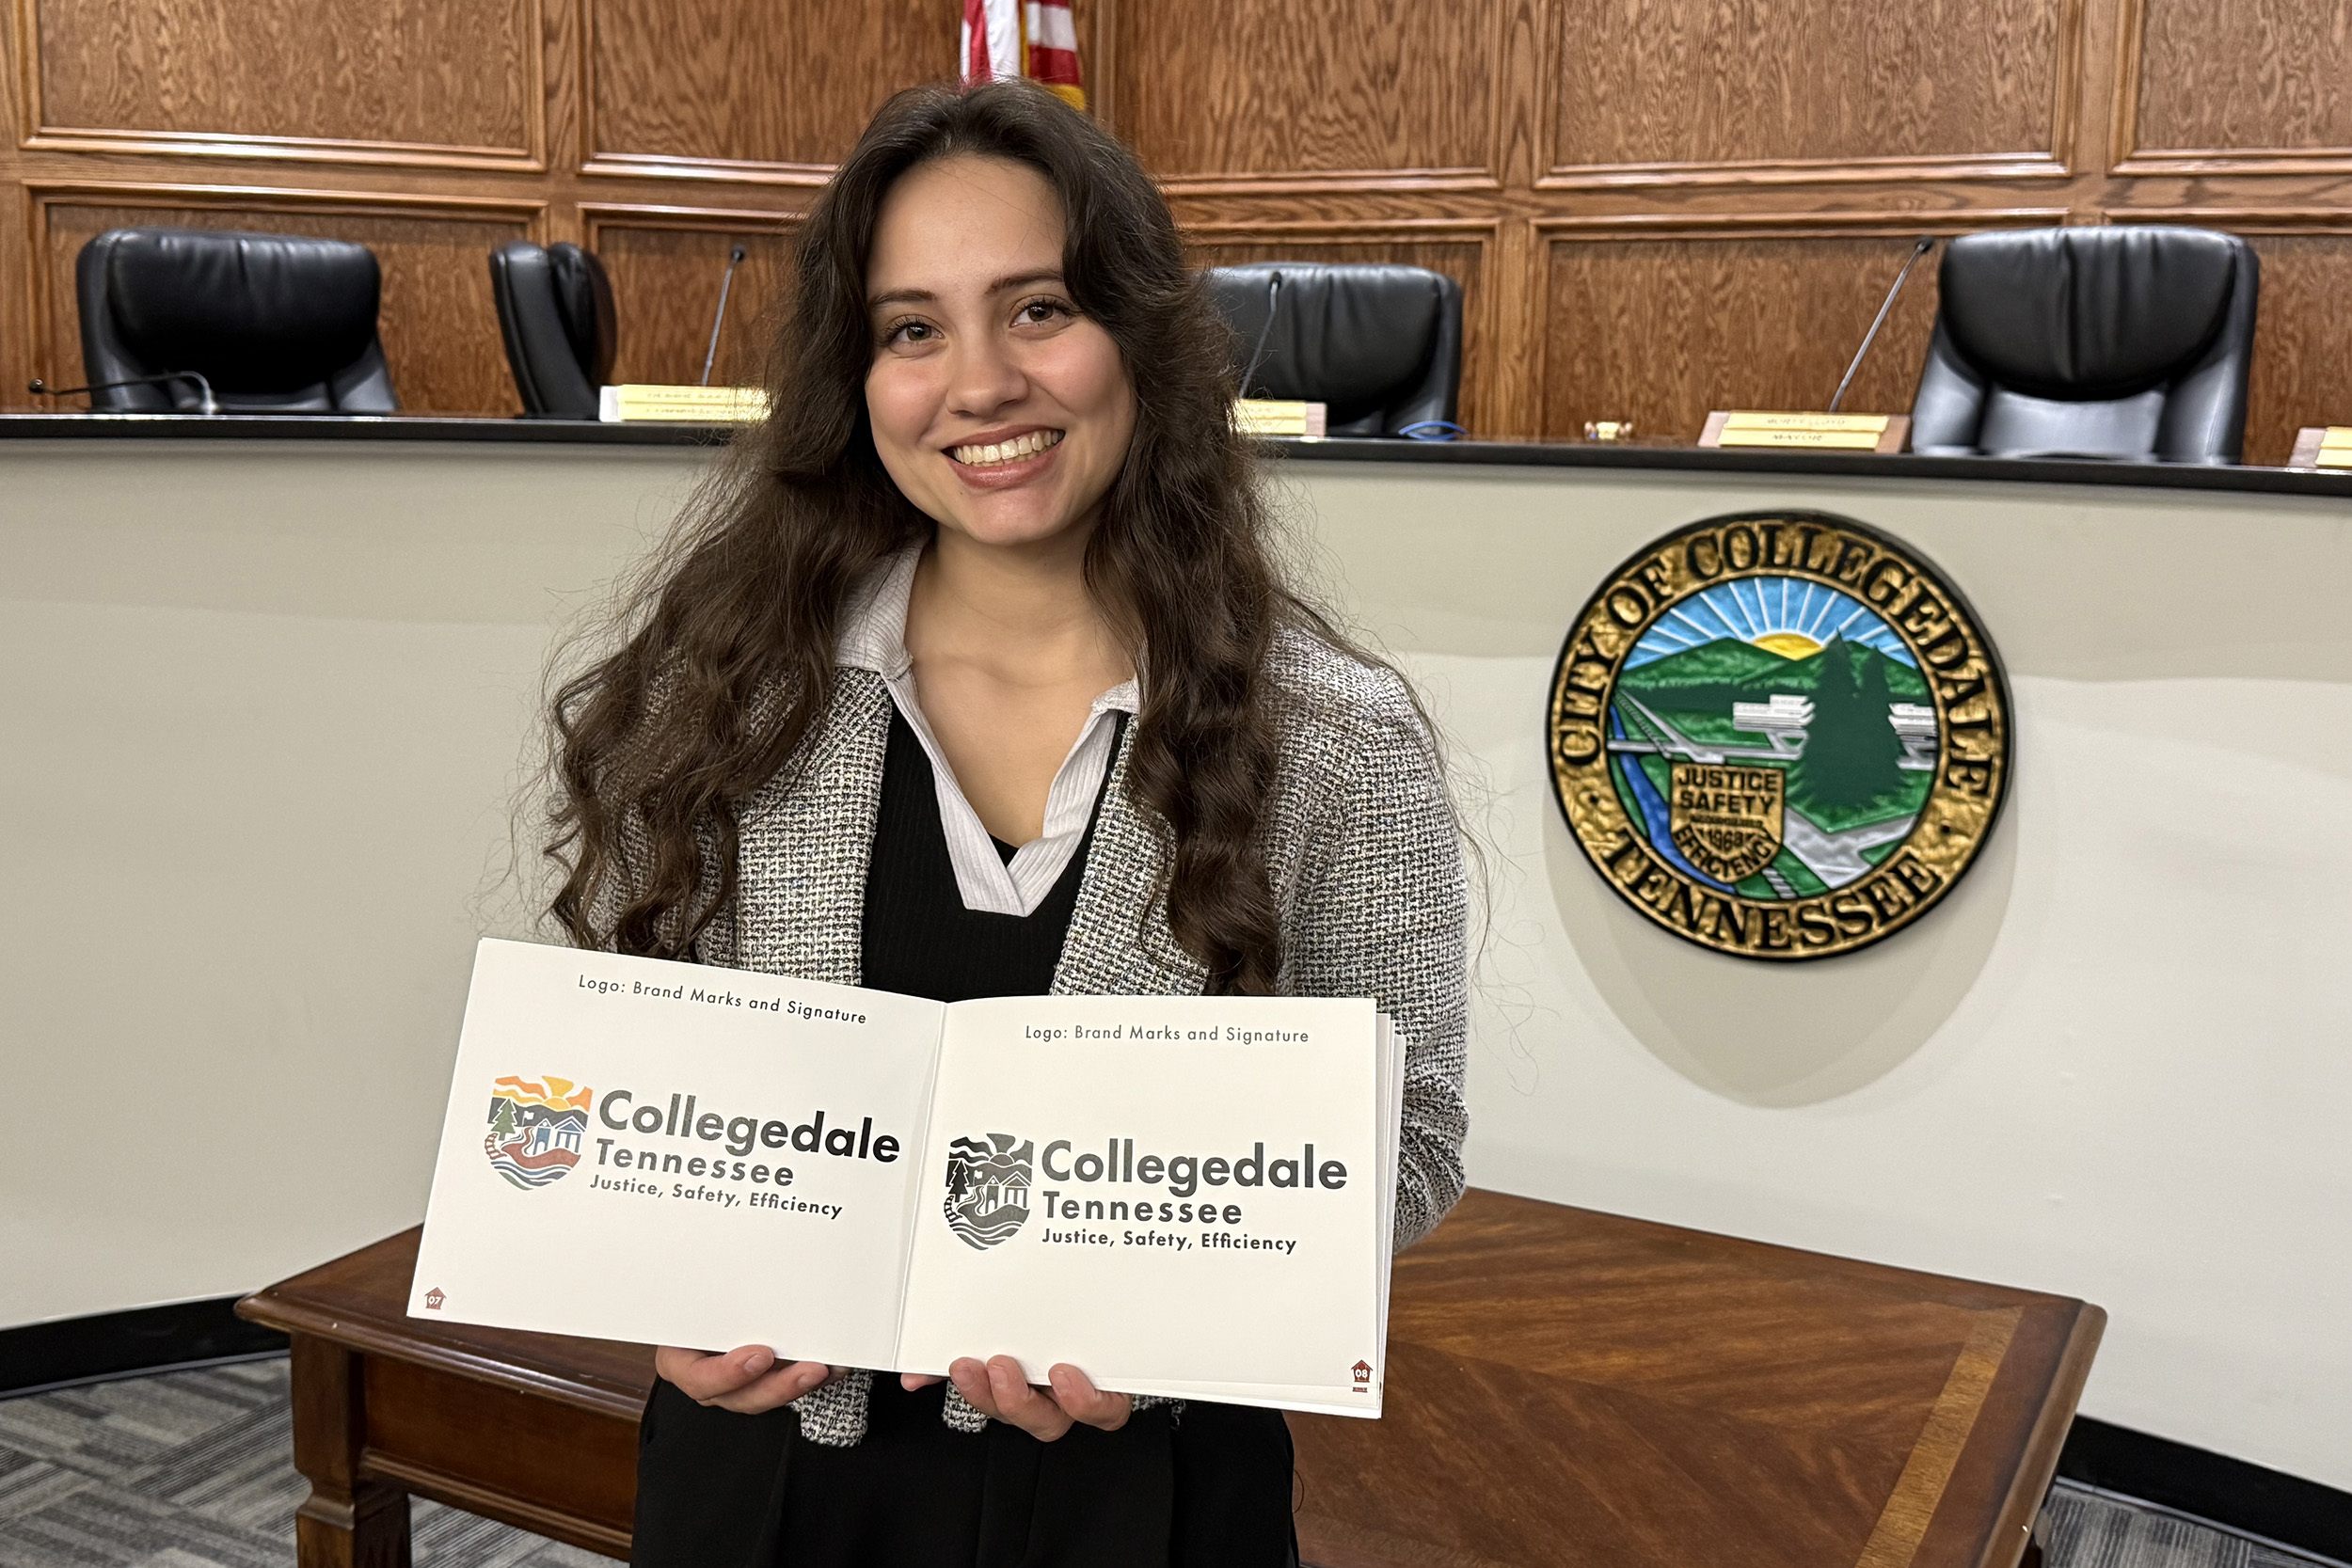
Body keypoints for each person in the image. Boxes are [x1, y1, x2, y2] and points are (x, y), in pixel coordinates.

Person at [545, 78, 1467, 1568]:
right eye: (911, 330)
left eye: (1038, 309)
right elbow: (628, 1096)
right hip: (768, 1486)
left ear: (1142, 338)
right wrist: (652, 1276)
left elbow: (1406, 1148)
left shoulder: (1335, 742)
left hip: (1146, 1490)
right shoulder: (721, 696)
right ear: (856, 381)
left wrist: (1165, 1328)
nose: (978, 384)